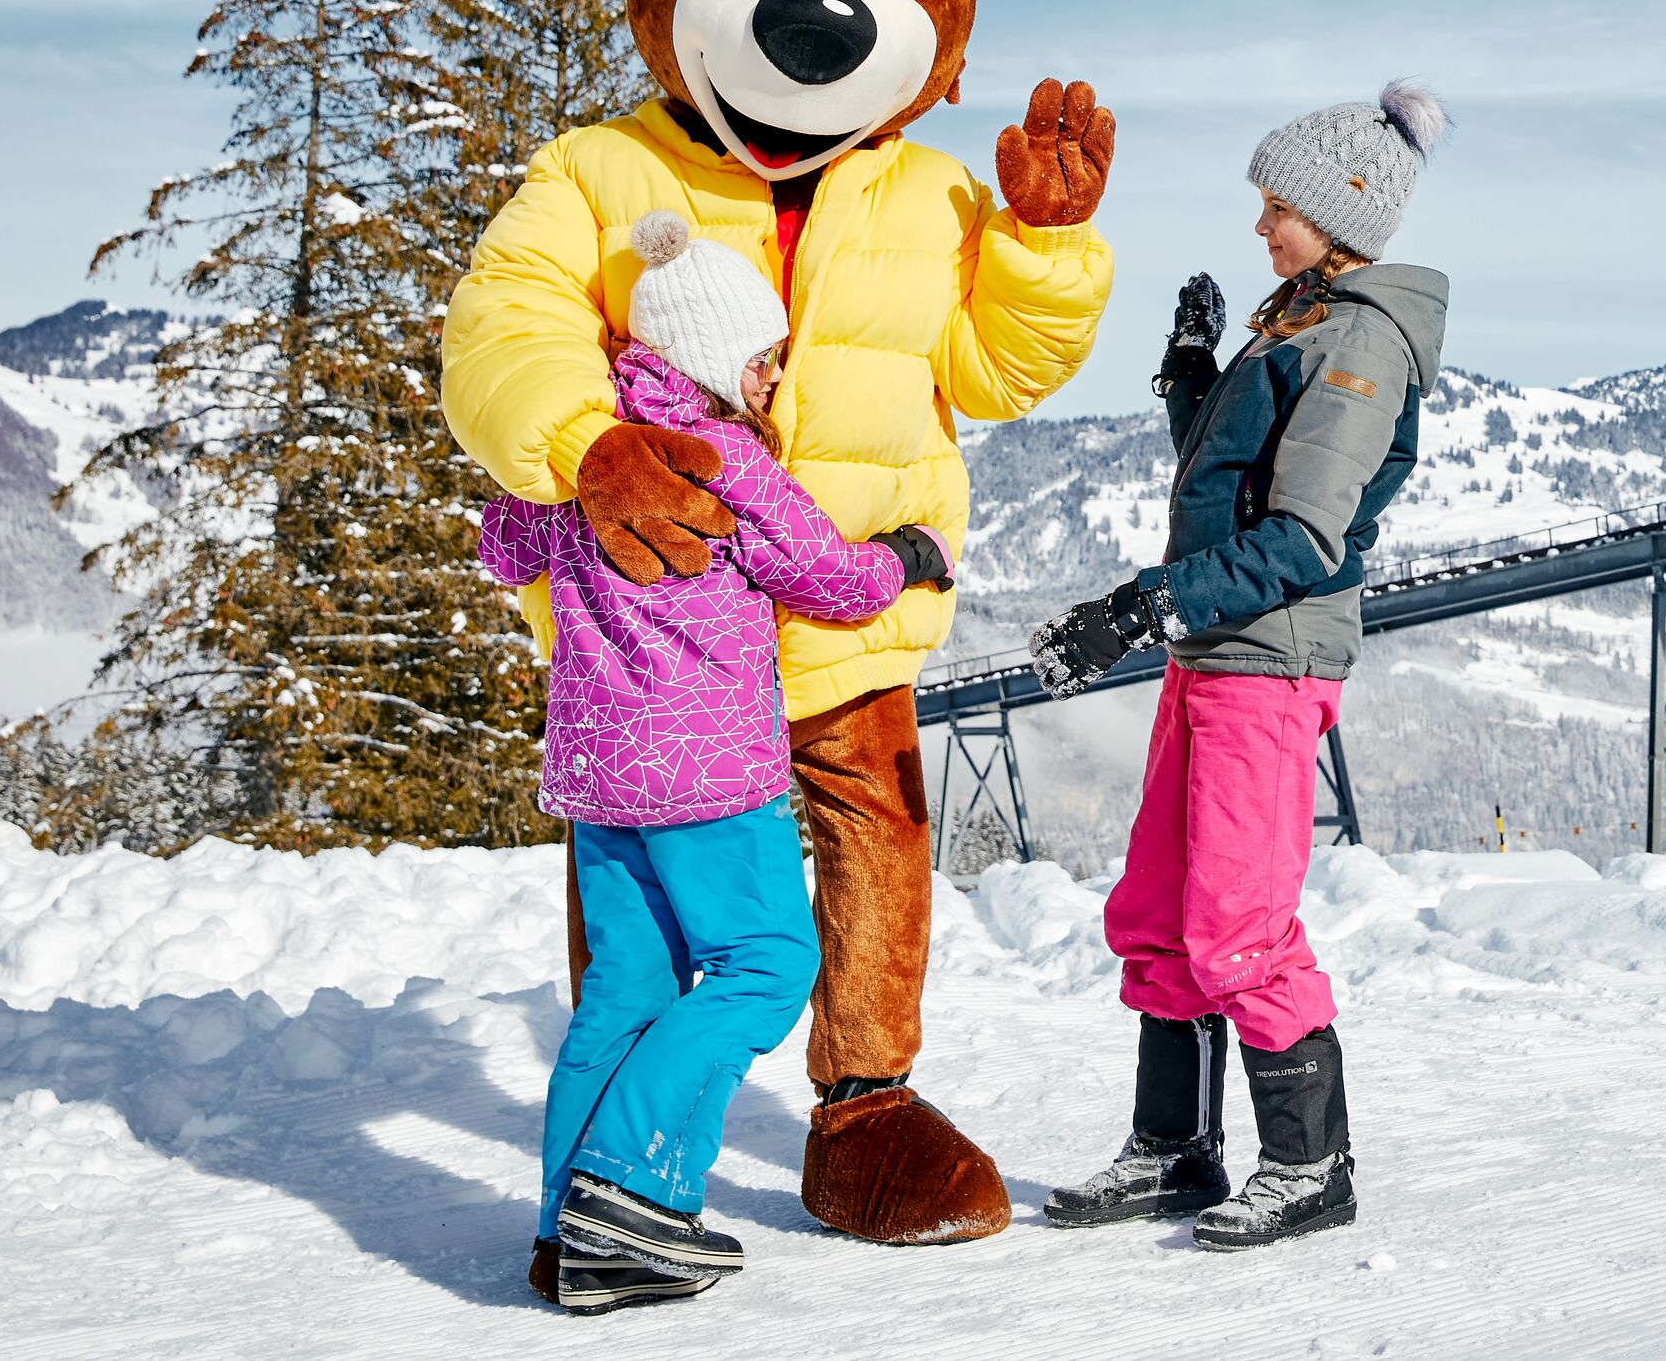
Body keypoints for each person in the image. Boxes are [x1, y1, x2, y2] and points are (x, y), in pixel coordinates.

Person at [479, 210, 956, 1313]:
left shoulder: (590, 447)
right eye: (765, 358)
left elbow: (504, 543)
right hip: (706, 778)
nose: (777, 378)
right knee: (768, 965)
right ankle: (627, 1187)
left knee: (626, 994)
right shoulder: (726, 458)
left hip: (601, 781)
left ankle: (570, 1238)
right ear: (711, 359)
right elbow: (828, 578)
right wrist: (909, 557)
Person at [1028, 83, 1450, 1250]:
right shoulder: (1299, 320)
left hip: (1269, 664)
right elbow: (1233, 486)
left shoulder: (1361, 338)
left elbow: (1304, 539)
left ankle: (1311, 1166)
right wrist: (1190, 375)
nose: (1259, 227)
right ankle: (1173, 1151)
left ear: (1340, 211)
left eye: (1277, 208)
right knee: (1158, 912)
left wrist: (1138, 609)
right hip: (1213, 654)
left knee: (1239, 923)